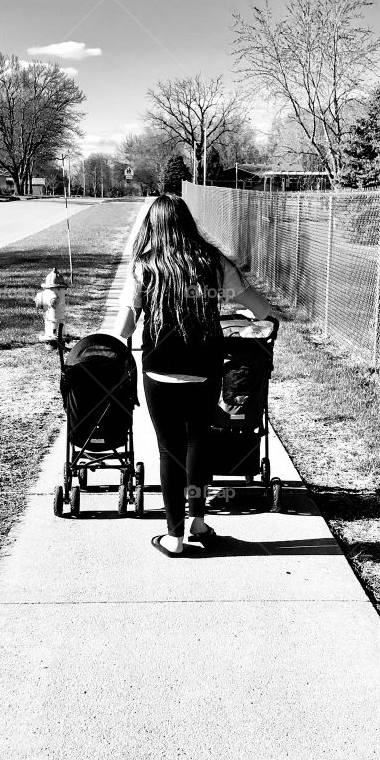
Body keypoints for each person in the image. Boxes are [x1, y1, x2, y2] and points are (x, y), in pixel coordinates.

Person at [113, 193, 274, 556]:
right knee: (198, 444)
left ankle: (174, 537)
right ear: (187, 223)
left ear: (153, 227)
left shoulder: (144, 266)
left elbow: (123, 329)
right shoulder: (212, 263)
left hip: (159, 371)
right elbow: (260, 310)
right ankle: (199, 523)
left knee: (169, 451)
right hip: (204, 369)